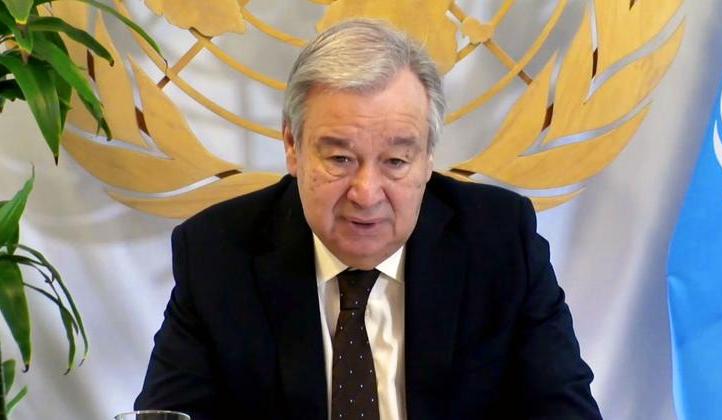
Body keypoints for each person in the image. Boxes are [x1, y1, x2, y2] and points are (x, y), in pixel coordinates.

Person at [135, 19, 602, 420]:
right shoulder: (218, 254)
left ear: (428, 158)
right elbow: (169, 413)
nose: (366, 193)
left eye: (396, 161)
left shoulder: (499, 242)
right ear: (293, 146)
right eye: (340, 159)